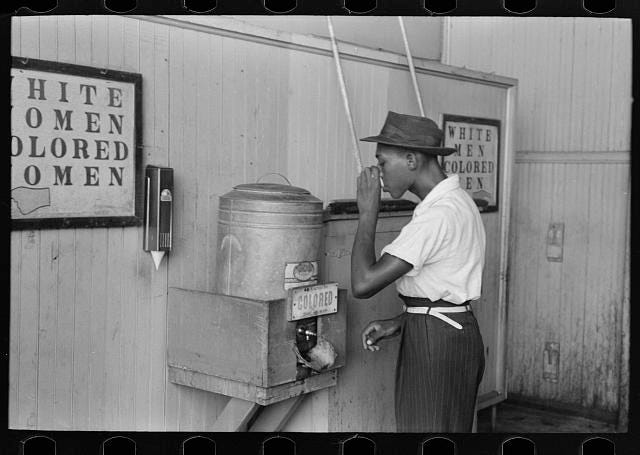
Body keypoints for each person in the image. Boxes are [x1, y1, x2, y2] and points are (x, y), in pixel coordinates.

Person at [351, 111, 486, 433]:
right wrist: (402, 322)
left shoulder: (438, 215)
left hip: (436, 342)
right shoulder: (456, 202)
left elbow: (363, 283)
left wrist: (368, 212)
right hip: (446, 330)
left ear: (411, 159)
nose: (379, 173)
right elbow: (443, 287)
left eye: (382, 163)